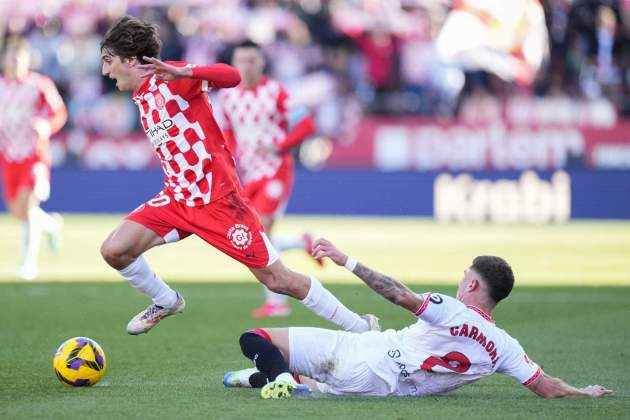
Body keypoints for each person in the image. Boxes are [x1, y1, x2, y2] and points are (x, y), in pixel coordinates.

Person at [98, 16, 378, 336]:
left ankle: (360, 327)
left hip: (218, 199)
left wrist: (186, 71)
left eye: (109, 61)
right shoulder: (142, 93)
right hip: (178, 197)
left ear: (131, 60)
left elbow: (231, 76)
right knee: (114, 251)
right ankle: (165, 300)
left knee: (278, 279)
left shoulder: (171, 77)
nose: (105, 71)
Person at [223, 238, 612, 400]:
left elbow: (397, 293)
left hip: (363, 354)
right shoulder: (505, 348)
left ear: (474, 285)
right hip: (380, 391)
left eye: (465, 275)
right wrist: (583, 392)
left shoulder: (452, 309)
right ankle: (276, 380)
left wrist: (347, 260)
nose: (461, 279)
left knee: (254, 337)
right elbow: (546, 386)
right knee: (303, 374)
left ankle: (281, 379)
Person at [218, 40, 319, 318]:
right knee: (254, 236)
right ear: (234, 64)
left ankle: (277, 304)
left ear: (261, 63)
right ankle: (301, 241)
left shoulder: (276, 92)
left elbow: (307, 124)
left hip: (276, 169)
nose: (247, 66)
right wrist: (229, 164)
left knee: (259, 234)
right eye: (242, 60)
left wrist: (280, 145)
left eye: (252, 60)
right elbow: (227, 135)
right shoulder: (227, 97)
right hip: (249, 174)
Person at [0, 36, 67, 280]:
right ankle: (51, 225)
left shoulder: (39, 85)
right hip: (9, 154)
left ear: (27, 60)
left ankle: (28, 264)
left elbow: (59, 112)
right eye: (10, 56)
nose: (14, 62)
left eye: (19, 57)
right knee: (17, 211)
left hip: (34, 154)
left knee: (29, 207)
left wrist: (46, 126)